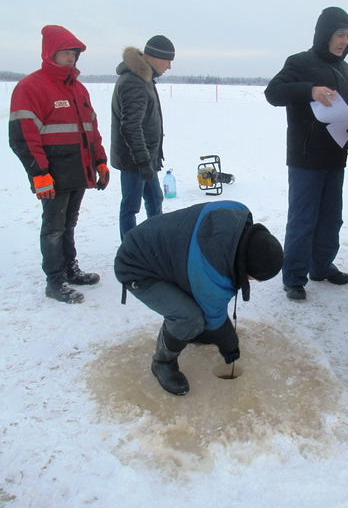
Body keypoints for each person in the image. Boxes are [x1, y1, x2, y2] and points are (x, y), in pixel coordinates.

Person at [114, 200, 284, 396]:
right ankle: (162, 362)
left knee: (198, 304)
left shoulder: (237, 212)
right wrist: (229, 344)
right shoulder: (211, 274)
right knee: (189, 317)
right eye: (253, 278)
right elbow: (215, 316)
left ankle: (193, 333)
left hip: (164, 250)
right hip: (137, 266)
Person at [9, 25, 109, 304]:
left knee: (69, 224)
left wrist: (100, 162)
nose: (70, 59)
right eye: (65, 53)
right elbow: (23, 137)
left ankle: (70, 269)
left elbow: (92, 131)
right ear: (50, 53)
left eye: (73, 54)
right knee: (53, 228)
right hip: (52, 172)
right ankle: (55, 282)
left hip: (79, 169)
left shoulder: (78, 89)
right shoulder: (31, 87)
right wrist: (39, 174)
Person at [264, 7, 348, 301]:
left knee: (331, 218)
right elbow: (273, 92)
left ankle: (322, 266)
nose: (343, 40)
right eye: (339, 34)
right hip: (306, 158)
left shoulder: (345, 69)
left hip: (335, 156)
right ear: (324, 34)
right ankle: (294, 277)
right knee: (304, 219)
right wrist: (310, 90)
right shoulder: (300, 62)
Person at [110, 35, 174, 240]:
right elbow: (130, 127)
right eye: (167, 60)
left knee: (155, 199)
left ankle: (157, 241)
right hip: (134, 160)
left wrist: (152, 158)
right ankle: (130, 252)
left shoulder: (144, 78)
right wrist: (143, 161)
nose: (169, 66)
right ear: (155, 57)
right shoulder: (134, 82)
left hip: (146, 157)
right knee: (131, 206)